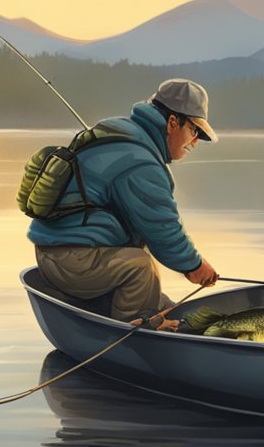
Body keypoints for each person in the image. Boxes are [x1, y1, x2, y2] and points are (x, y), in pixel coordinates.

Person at [29, 78, 220, 329]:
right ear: (173, 122)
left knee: (144, 267)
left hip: (55, 253)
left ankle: (146, 312)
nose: (195, 142)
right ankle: (135, 330)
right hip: (69, 260)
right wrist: (195, 266)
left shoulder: (123, 133)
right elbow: (163, 230)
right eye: (195, 131)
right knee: (140, 267)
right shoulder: (141, 161)